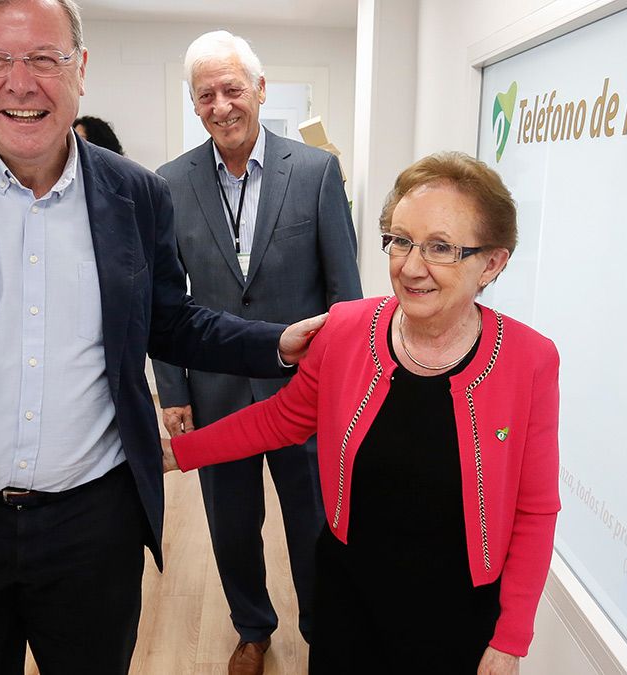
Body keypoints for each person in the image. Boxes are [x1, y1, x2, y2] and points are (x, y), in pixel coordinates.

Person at [0, 1, 323, 672]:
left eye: (45, 58)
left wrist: (277, 342)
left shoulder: (137, 193)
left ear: (80, 68)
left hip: (93, 528)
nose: (20, 82)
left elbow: (169, 320)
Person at [167, 152, 561, 674]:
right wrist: (177, 453)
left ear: (492, 262)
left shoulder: (529, 360)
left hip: (459, 611)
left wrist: (510, 640)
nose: (410, 266)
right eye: (400, 240)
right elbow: (281, 419)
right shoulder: (348, 330)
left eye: (440, 248)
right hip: (349, 594)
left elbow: (535, 511)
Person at [152, 30, 362, 675]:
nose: (221, 105)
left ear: (260, 91)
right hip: (215, 393)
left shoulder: (317, 171)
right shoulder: (169, 184)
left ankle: (325, 635)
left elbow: (345, 296)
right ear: (194, 104)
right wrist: (175, 391)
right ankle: (252, 628)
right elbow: (163, 305)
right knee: (231, 526)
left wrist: (348, 391)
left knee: (313, 525)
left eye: (232, 89)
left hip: (305, 396)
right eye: (205, 94)